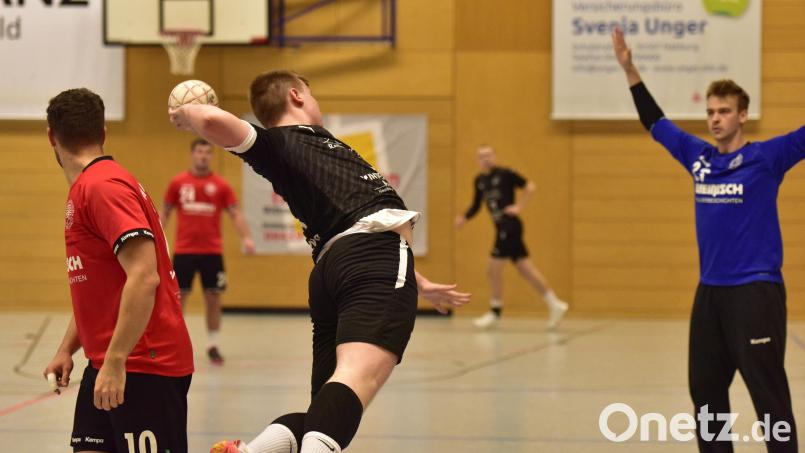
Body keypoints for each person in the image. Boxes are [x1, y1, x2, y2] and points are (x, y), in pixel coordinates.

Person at [168, 70, 471, 453]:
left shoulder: (319, 146)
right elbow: (212, 121)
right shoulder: (277, 143)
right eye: (311, 93)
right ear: (296, 95)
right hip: (369, 260)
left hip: (338, 266)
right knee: (354, 381)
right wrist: (189, 112)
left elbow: (357, 222)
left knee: (325, 410)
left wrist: (418, 279)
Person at [612, 27, 805, 452]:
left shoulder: (766, 159)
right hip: (711, 294)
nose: (715, 118)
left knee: (768, 397)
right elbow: (655, 121)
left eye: (724, 111)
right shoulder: (698, 158)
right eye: (711, 111)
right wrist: (630, 70)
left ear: (742, 116)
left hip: (755, 292)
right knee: (705, 395)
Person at [43, 88, 194, 453]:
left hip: (142, 364)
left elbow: (144, 276)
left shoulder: (102, 186)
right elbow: (100, 288)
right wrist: (68, 348)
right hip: (109, 360)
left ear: (51, 137)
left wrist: (115, 361)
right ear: (104, 132)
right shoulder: (89, 187)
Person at [162, 138, 256, 365]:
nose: (203, 156)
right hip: (184, 251)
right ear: (192, 154)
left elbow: (236, 213)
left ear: (211, 156)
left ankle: (213, 344)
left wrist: (247, 238)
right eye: (199, 152)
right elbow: (164, 213)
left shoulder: (220, 186)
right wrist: (157, 239)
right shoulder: (178, 183)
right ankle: (176, 344)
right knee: (178, 298)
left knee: (213, 297)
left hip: (212, 252)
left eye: (207, 152)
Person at [455, 144, 569, 329]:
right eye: (481, 156)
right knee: (526, 269)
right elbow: (476, 205)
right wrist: (464, 218)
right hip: (501, 227)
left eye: (489, 155)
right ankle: (555, 304)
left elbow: (530, 187)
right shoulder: (480, 180)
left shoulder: (506, 174)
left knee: (493, 269)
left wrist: (519, 207)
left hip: (509, 226)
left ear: (495, 155)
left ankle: (495, 311)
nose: (486, 158)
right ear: (477, 160)